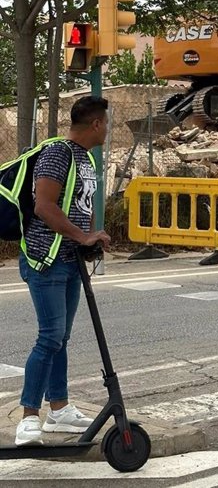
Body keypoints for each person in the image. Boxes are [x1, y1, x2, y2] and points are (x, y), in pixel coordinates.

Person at [15, 96, 112, 446]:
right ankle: (28, 416)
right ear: (97, 124)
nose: (109, 129)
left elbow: (78, 204)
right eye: (107, 122)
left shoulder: (85, 158)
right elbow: (44, 206)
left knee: (61, 339)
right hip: (45, 259)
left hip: (70, 260)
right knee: (50, 337)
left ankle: (58, 409)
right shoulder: (58, 153)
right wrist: (81, 235)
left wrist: (88, 242)